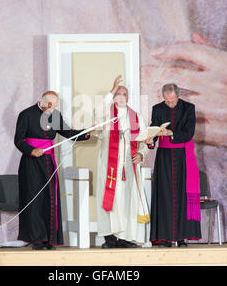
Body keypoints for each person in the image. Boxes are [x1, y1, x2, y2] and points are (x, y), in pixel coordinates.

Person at [14, 91, 91, 250]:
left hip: (48, 163)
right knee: (34, 201)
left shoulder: (55, 115)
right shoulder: (26, 114)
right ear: (45, 102)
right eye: (52, 106)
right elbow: (19, 140)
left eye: (55, 106)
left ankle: (49, 239)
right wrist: (31, 150)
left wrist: (86, 133)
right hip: (31, 164)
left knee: (50, 199)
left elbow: (68, 133)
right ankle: (37, 240)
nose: (53, 109)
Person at [93, 75, 150, 248]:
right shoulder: (106, 114)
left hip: (129, 167)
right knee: (109, 200)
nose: (121, 97)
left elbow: (144, 140)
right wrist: (111, 89)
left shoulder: (137, 116)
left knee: (127, 201)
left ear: (128, 97)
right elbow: (98, 112)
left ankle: (125, 238)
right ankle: (110, 238)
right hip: (109, 165)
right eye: (117, 94)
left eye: (124, 94)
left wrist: (141, 154)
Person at [145, 83, 201, 247]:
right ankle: (164, 237)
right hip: (164, 157)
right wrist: (150, 140)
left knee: (182, 196)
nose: (170, 104)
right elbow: (154, 130)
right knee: (164, 196)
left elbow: (189, 132)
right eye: (167, 101)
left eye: (173, 101)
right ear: (163, 97)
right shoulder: (157, 109)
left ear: (178, 95)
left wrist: (170, 133)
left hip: (183, 157)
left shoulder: (189, 108)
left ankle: (181, 237)